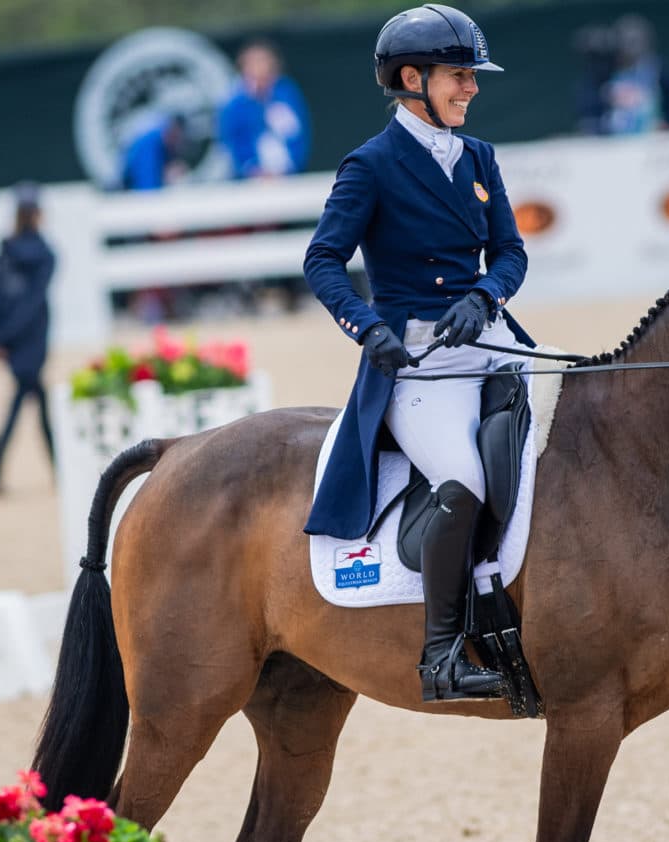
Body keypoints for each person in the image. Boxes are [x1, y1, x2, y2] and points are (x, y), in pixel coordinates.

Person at [302, 3, 533, 702]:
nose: (472, 88)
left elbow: (512, 252)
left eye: (471, 76)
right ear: (414, 78)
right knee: (461, 478)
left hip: (487, 341)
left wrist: (485, 295)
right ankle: (440, 657)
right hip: (418, 364)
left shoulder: (480, 157)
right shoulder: (371, 167)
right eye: (460, 76)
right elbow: (323, 262)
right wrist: (368, 328)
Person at [0, 181, 56, 494]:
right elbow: (32, 302)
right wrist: (9, 336)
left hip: (13, 342)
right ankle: (0, 465)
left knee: (34, 401)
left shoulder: (5, 252)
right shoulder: (46, 254)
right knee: (32, 402)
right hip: (32, 340)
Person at [217, 40, 311, 179]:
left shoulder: (286, 93)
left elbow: (299, 133)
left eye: (264, 62)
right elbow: (232, 142)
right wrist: (252, 169)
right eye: (254, 63)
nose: (259, 68)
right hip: (250, 179)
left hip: (288, 175)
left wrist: (288, 167)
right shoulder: (235, 102)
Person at [600, 14, 669, 134]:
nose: (631, 47)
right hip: (613, 141)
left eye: (635, 41)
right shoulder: (604, 71)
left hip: (652, 138)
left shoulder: (657, 69)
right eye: (626, 41)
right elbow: (592, 109)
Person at [119, 113, 188, 191]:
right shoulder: (149, 145)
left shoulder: (166, 146)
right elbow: (147, 186)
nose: (177, 141)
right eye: (175, 135)